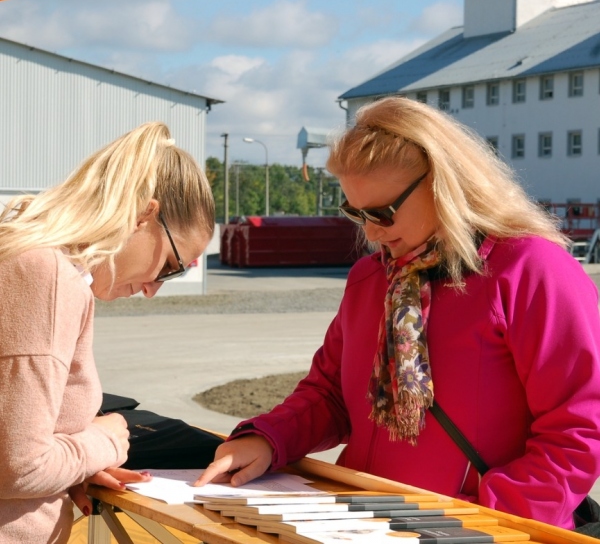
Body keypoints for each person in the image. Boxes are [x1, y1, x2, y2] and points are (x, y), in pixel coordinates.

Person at [197, 96, 600, 530]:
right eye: (356, 212)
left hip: (471, 531)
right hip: (364, 525)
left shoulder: (531, 269)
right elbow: (330, 394)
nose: (370, 231)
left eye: (382, 213)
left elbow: (578, 431)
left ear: (443, 183)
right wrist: (267, 438)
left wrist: (481, 521)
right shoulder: (370, 279)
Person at [0, 121, 215, 543]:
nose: (154, 289)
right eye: (172, 267)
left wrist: (73, 464)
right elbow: (17, 466)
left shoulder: (33, 263)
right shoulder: (48, 277)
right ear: (144, 216)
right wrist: (104, 441)